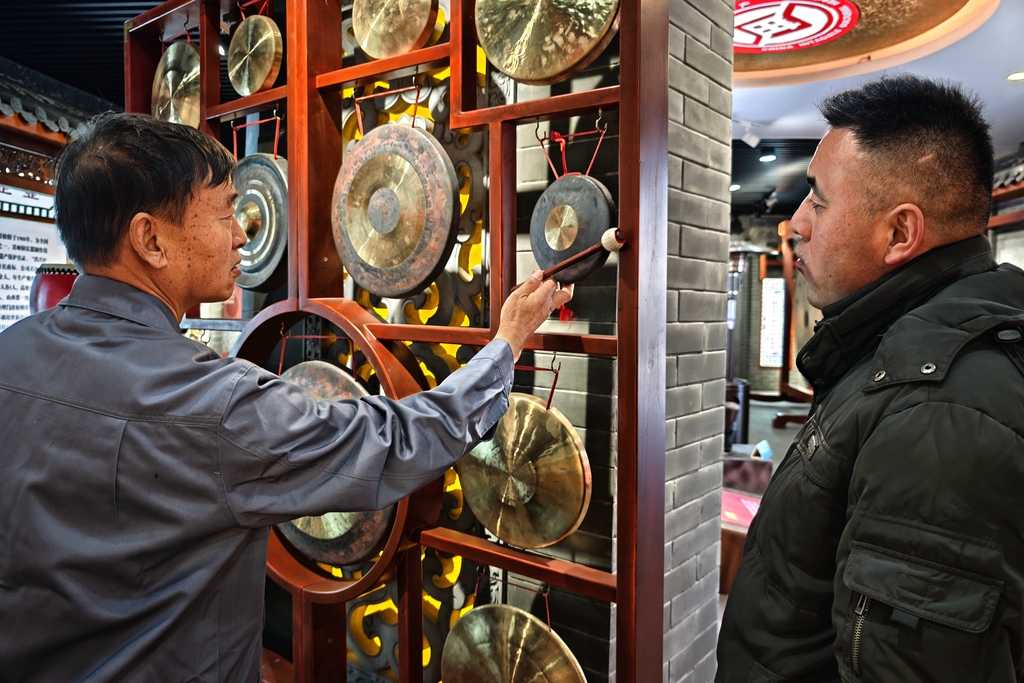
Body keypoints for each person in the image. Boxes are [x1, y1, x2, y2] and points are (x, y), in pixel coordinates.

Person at [0, 113, 572, 683]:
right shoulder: (213, 405)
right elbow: (395, 440)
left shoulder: (10, 353)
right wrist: (507, 342)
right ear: (151, 239)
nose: (242, 233)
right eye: (224, 212)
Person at [717, 75, 1024, 681]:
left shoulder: (939, 410)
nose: (795, 224)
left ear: (900, 233)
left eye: (818, 200)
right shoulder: (902, 354)